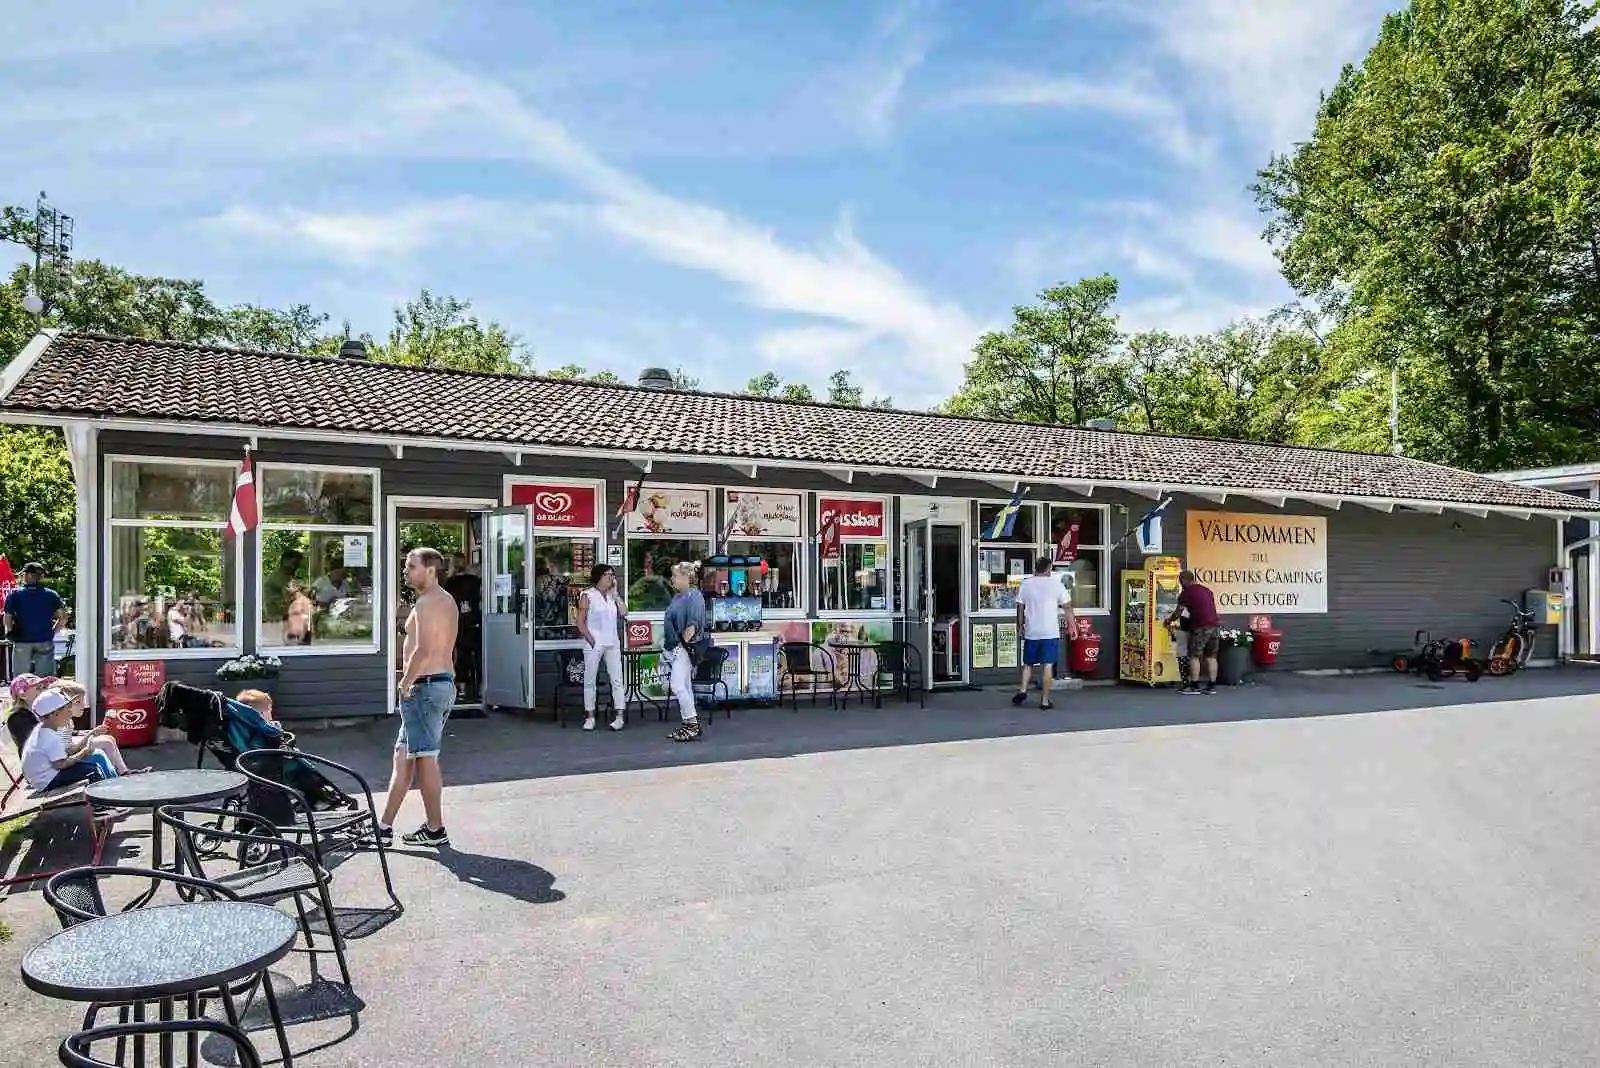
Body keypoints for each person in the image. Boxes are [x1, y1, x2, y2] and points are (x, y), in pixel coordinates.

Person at [380, 547, 459, 847]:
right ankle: (384, 828)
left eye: (411, 566)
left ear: (430, 570)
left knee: (425, 757)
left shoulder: (428, 603)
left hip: (424, 687)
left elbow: (423, 650)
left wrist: (404, 681)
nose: (406, 571)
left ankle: (436, 829)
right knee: (404, 758)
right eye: (405, 566)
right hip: (437, 684)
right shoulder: (446, 601)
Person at [20, 688, 116, 792]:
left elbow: (67, 752)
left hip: (43, 777)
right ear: (55, 714)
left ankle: (112, 791)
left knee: (93, 763)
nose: (70, 715)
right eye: (68, 711)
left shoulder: (43, 730)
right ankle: (102, 803)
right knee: (93, 770)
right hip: (48, 780)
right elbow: (60, 765)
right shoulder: (50, 736)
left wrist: (91, 734)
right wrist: (84, 753)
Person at [1012, 556, 1076, 710]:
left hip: (1031, 631)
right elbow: (1067, 607)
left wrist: (1019, 626)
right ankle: (1045, 701)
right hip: (1050, 632)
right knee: (1048, 665)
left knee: (1027, 664)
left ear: (1036, 568)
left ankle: (1022, 690)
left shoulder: (1026, 584)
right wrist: (1072, 627)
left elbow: (1020, 608)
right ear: (1049, 568)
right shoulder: (1056, 585)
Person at [576, 563, 628, 732]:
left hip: (612, 641)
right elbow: (580, 621)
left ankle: (619, 716)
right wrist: (591, 640)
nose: (611, 578)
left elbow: (624, 613)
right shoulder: (587, 595)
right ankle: (590, 716)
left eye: (612, 575)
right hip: (595, 642)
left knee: (617, 679)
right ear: (599, 576)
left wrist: (616, 594)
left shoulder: (612, 596)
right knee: (590, 679)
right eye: (608, 575)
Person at [662, 561, 709, 743]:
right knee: (686, 687)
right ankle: (688, 723)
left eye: (674, 575)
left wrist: (682, 647)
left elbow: (693, 624)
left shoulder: (694, 596)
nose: (672, 579)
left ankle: (692, 724)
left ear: (685, 577)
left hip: (685, 647)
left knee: (677, 685)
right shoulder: (678, 597)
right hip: (676, 646)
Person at [4, 562, 66, 677]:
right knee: (44, 680)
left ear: (26, 575)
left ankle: (22, 695)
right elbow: (62, 618)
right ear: (40, 576)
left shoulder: (15, 594)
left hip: (21, 640)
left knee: (21, 679)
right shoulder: (51, 595)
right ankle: (42, 695)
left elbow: (8, 617)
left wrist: (10, 632)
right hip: (44, 640)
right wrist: (52, 632)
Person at [1166, 570, 1220, 695]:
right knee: (1211, 657)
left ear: (1184, 580)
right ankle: (1211, 686)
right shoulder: (1207, 590)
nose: (1180, 585)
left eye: (1180, 582)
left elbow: (1178, 612)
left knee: (1194, 656)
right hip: (1215, 626)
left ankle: (1194, 686)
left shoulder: (1186, 593)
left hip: (1201, 627)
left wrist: (1168, 621)